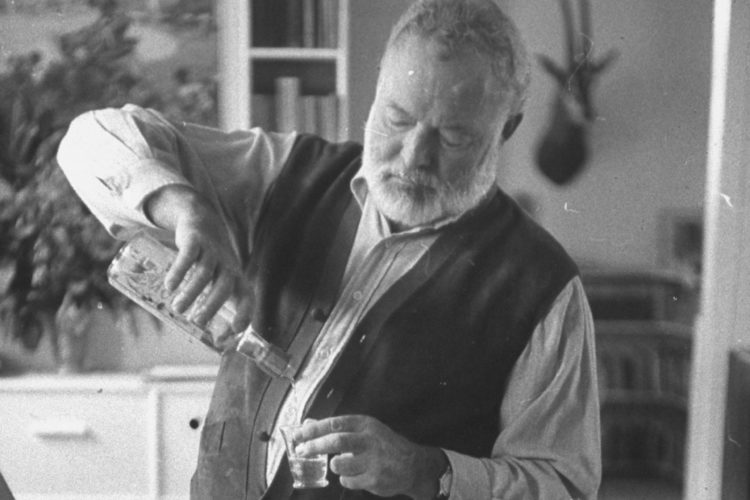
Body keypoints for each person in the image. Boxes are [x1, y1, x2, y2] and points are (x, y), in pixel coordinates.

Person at [57, 0, 601, 498]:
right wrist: (188, 212)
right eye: (398, 118)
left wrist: (425, 469)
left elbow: (563, 487)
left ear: (506, 129)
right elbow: (90, 138)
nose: (415, 156)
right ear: (376, 91)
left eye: (454, 137)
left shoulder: (543, 287)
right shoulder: (284, 172)